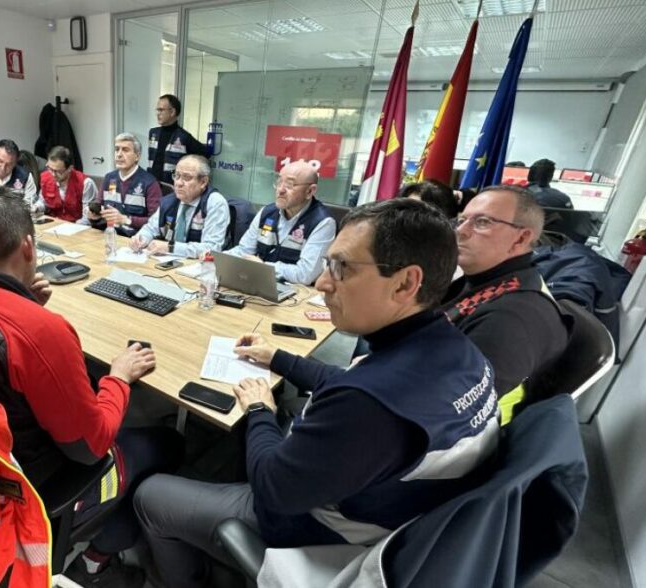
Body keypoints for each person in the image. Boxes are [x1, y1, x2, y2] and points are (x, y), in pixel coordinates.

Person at [132, 199, 499, 588]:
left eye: (341, 268)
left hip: (320, 533)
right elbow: (347, 379)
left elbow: (273, 490)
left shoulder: (367, 406)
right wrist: (277, 358)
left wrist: (259, 408)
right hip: (389, 506)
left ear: (406, 283)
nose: (323, 283)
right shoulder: (458, 349)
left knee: (151, 496)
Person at [0, 189, 184, 588]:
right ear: (29, 247)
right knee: (167, 443)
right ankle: (97, 558)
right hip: (34, 487)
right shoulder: (39, 330)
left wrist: (22, 306)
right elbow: (90, 446)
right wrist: (119, 377)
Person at [442, 185, 570, 423]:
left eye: (482, 222)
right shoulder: (487, 280)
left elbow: (452, 409)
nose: (461, 231)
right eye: (461, 220)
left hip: (463, 441)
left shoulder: (512, 317)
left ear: (521, 238)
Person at [226, 160, 335, 284]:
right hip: (259, 283)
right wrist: (215, 257)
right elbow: (243, 251)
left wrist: (263, 268)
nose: (280, 190)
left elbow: (306, 274)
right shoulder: (267, 212)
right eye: (279, 182)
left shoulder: (323, 222)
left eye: (289, 185)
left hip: (296, 294)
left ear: (310, 191)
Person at [130, 155, 229, 258]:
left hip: (200, 266)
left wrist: (171, 247)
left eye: (186, 178)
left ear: (203, 182)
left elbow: (212, 248)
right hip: (169, 263)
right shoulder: (169, 201)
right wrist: (140, 239)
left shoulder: (215, 203)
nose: (178, 183)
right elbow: (150, 228)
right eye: (177, 176)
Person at [84, 133, 163, 235]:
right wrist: (94, 216)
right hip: (109, 235)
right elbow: (99, 206)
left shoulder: (150, 183)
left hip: (135, 240)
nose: (119, 154)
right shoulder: (109, 178)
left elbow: (156, 222)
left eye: (125, 150)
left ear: (137, 156)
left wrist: (126, 220)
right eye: (117, 149)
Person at [148, 94, 209, 187]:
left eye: (161, 110)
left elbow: (205, 153)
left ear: (172, 112)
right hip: (152, 185)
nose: (158, 113)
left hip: (172, 188)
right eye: (157, 110)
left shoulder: (184, 136)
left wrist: (188, 171)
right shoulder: (153, 133)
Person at [38, 146, 97, 222]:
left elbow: (88, 217)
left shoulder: (86, 183)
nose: (53, 174)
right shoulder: (45, 178)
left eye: (58, 171)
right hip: (53, 223)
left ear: (70, 168)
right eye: (50, 169)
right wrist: (37, 207)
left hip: (77, 225)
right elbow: (43, 201)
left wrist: (73, 228)